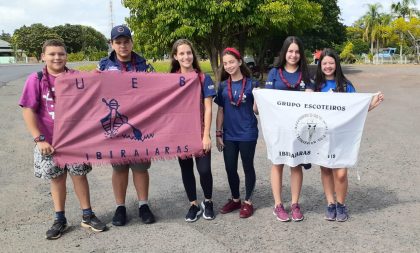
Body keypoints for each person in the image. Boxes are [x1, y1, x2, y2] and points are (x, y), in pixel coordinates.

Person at [19, 39, 107, 239]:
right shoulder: (36, 79)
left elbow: (94, 91)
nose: (57, 57)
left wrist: (99, 77)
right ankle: (60, 219)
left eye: (60, 53)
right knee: (57, 178)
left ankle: (87, 214)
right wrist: (39, 139)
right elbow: (28, 110)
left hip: (75, 140)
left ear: (66, 56)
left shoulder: (76, 77)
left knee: (80, 176)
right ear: (43, 56)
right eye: (52, 54)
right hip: (49, 141)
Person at [314, 48, 384, 222]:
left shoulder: (346, 85)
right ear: (320, 65)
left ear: (336, 64)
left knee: (341, 173)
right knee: (326, 169)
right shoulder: (315, 86)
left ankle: (341, 204)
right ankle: (330, 204)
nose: (328, 66)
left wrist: (372, 104)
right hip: (322, 136)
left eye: (331, 63)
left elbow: (356, 110)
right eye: (324, 63)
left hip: (342, 136)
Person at [97, 25, 155, 226]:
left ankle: (143, 205)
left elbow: (159, 91)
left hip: (140, 123)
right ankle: (120, 207)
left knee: (140, 168)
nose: (123, 45)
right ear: (112, 44)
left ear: (132, 42)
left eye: (126, 41)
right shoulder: (103, 67)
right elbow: (92, 93)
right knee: (119, 168)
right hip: (115, 125)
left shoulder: (144, 65)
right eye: (118, 42)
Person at [265, 36, 315, 222]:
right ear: (284, 52)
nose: (293, 55)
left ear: (301, 54)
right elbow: (267, 99)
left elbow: (315, 102)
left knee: (295, 164)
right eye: (290, 51)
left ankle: (295, 204)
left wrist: (311, 94)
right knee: (277, 163)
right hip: (278, 127)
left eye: (296, 51)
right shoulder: (274, 73)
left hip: (299, 129)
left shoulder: (306, 73)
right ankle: (278, 205)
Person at [170, 39, 216, 222]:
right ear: (175, 56)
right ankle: (194, 204)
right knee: (186, 170)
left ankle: (208, 201)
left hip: (200, 133)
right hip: (181, 135)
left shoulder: (203, 78)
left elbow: (209, 108)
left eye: (188, 53)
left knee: (204, 170)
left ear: (193, 54)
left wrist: (206, 135)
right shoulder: (171, 80)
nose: (186, 56)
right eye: (181, 53)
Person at [214, 48, 259, 218]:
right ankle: (235, 199)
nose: (228, 66)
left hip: (247, 133)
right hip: (229, 135)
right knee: (230, 168)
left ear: (240, 62)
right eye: (225, 63)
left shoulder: (252, 84)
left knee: (248, 167)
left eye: (231, 62)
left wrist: (258, 102)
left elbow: (257, 110)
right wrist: (218, 134)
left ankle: (248, 201)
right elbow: (220, 110)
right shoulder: (223, 86)